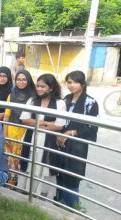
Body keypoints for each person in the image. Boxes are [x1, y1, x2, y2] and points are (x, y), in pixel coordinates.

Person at [18, 73, 66, 200]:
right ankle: (25, 193)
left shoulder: (59, 103)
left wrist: (36, 124)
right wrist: (45, 123)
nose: (39, 89)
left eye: (42, 86)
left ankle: (40, 197)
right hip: (31, 139)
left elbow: (59, 125)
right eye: (37, 86)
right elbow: (24, 118)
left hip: (48, 142)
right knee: (29, 165)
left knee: (43, 168)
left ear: (51, 88)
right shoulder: (32, 100)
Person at [56, 70, 98, 208]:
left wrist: (69, 133)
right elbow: (59, 120)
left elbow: (92, 128)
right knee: (59, 173)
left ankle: (72, 208)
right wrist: (59, 135)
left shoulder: (90, 102)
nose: (72, 85)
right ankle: (59, 204)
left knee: (72, 176)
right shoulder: (65, 99)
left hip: (77, 145)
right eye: (69, 82)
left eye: (75, 82)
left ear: (83, 84)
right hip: (61, 142)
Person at [3, 69, 35, 186]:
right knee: (11, 158)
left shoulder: (34, 96)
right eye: (18, 79)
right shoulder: (11, 95)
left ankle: (20, 184)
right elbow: (6, 116)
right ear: (15, 81)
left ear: (29, 80)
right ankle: (10, 182)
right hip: (11, 130)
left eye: (24, 79)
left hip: (25, 131)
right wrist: (4, 134)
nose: (21, 82)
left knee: (21, 158)